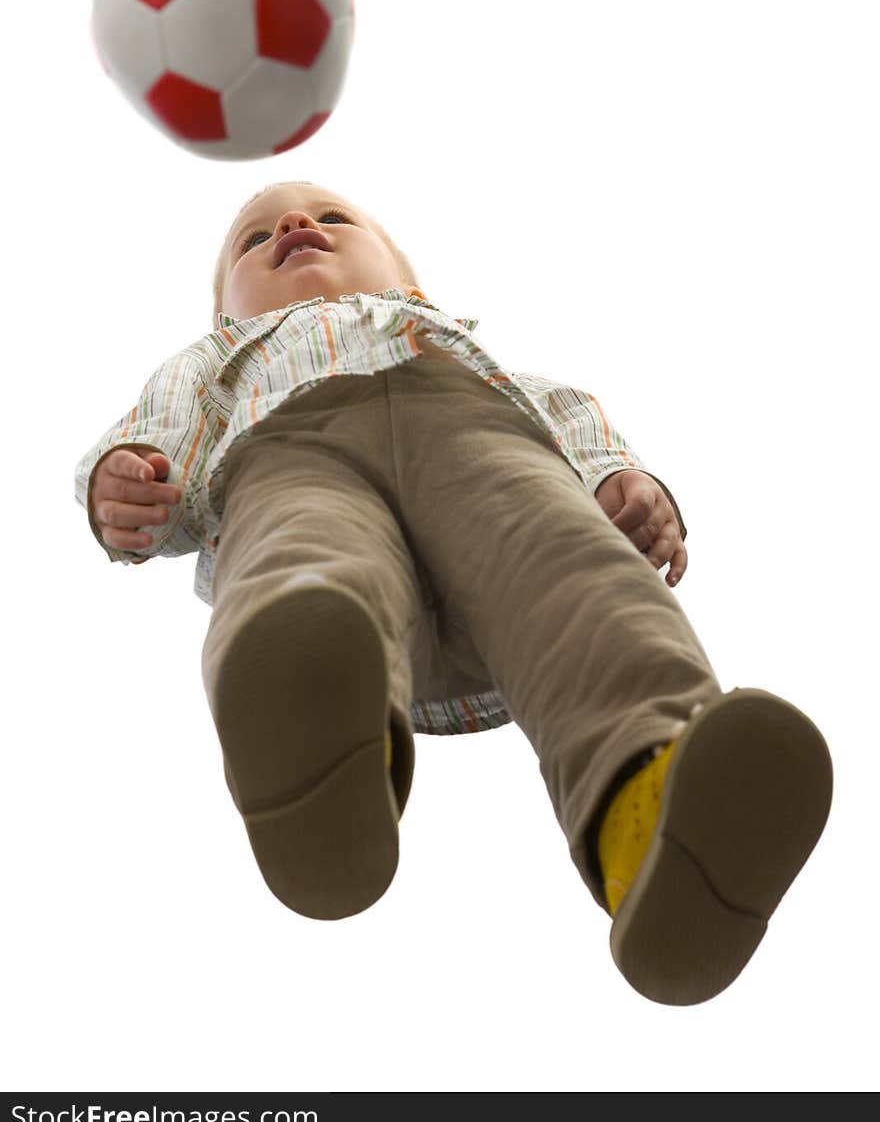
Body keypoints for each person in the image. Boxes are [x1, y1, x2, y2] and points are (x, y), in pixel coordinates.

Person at [74, 180, 832, 1006]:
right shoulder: (221, 361)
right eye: (253, 242)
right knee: (299, 548)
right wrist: (123, 480)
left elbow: (568, 416)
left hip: (478, 451)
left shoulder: (459, 349)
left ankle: (651, 810)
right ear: (225, 315)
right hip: (293, 448)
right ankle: (317, 715)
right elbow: (154, 432)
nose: (294, 226)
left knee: (577, 574)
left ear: (411, 285)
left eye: (333, 219)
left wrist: (623, 478)